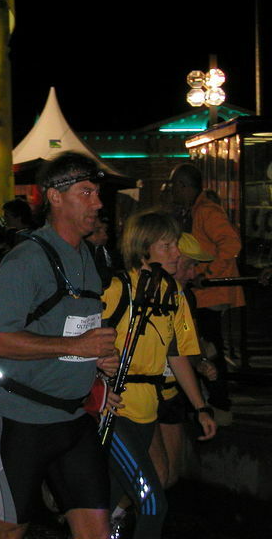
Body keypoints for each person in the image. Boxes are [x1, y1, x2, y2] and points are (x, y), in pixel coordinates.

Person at [0, 152, 118, 539]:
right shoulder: (25, 259)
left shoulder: (87, 255)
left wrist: (97, 360)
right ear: (55, 197)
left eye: (97, 193)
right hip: (25, 420)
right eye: (87, 192)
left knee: (96, 530)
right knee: (7, 530)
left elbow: (78, 328)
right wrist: (77, 347)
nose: (98, 202)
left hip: (75, 421)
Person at [102, 210, 216, 539]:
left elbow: (178, 354)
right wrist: (97, 373)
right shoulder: (117, 288)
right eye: (166, 246)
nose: (176, 253)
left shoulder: (173, 296)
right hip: (114, 411)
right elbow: (82, 341)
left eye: (174, 245)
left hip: (146, 411)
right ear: (143, 249)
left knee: (105, 503)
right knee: (152, 502)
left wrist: (201, 407)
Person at [168, 163, 243, 418]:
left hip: (211, 294)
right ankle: (213, 402)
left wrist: (207, 275)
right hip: (206, 293)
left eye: (174, 186)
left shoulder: (206, 212)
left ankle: (218, 404)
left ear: (184, 186)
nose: (172, 192)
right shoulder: (198, 210)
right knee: (206, 346)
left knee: (208, 347)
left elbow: (231, 243)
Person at [148, 232, 218, 493]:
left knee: (169, 476)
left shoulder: (183, 297)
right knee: (157, 473)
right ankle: (111, 518)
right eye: (189, 265)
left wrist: (199, 363)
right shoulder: (139, 291)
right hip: (143, 393)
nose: (192, 273)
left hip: (172, 392)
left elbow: (184, 345)